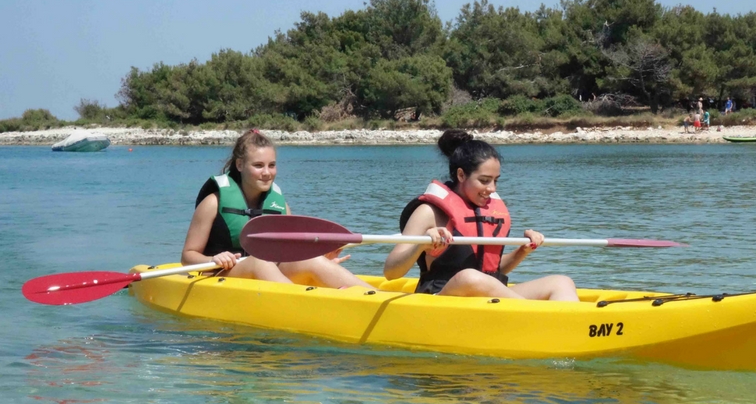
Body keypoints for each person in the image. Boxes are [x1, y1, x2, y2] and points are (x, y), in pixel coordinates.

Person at [384, 130, 579, 301]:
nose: (491, 189)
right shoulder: (428, 212)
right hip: (441, 298)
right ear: (461, 175)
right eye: (484, 181)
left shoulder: (490, 211)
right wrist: (420, 245)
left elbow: (490, 273)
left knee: (561, 282)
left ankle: (570, 328)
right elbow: (391, 272)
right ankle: (535, 314)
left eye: (496, 181)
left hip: (488, 297)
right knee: (469, 278)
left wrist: (522, 251)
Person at [181, 129, 373, 289]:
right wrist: (214, 258)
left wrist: (320, 260)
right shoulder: (213, 203)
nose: (266, 173)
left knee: (313, 260)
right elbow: (187, 257)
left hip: (267, 274)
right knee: (259, 262)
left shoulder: (280, 206)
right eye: (258, 165)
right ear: (240, 165)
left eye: (271, 165)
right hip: (222, 275)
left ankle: (379, 299)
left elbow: (288, 255)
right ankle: (303, 304)